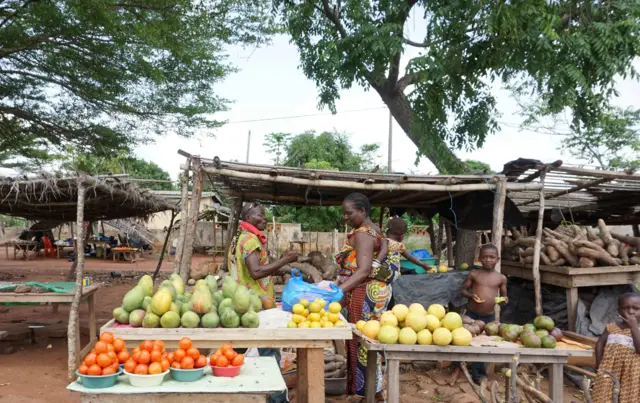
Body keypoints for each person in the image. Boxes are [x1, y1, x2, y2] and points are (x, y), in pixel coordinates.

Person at [227, 201, 299, 403]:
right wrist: (285, 261)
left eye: (264, 215)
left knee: (236, 350)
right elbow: (256, 271)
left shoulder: (238, 238)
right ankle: (277, 400)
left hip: (241, 302)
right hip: (255, 305)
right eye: (259, 215)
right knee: (269, 352)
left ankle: (228, 389)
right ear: (248, 217)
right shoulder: (250, 240)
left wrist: (277, 262)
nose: (264, 218)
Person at [336, 193, 394, 401]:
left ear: (362, 211)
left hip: (364, 292)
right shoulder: (375, 230)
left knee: (362, 342)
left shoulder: (362, 233)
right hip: (374, 291)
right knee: (370, 342)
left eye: (349, 213)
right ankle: (373, 391)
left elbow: (362, 271)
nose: (346, 217)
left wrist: (337, 292)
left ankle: (367, 392)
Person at [448, 244, 508, 385]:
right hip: (471, 315)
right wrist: (471, 295)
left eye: (492, 257)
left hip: (489, 317)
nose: (488, 260)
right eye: (485, 257)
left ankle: (478, 375)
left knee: (483, 345)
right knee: (462, 341)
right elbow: (463, 290)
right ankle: (457, 368)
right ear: (479, 258)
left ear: (497, 259)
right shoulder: (474, 274)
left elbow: (505, 298)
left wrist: (503, 301)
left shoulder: (501, 278)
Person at [592, 293, 640, 402]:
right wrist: (600, 366)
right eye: (625, 308)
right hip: (610, 369)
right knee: (603, 395)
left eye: (636, 308)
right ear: (619, 311)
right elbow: (599, 345)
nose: (631, 311)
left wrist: (634, 327)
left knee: (628, 397)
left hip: (632, 373)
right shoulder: (611, 327)